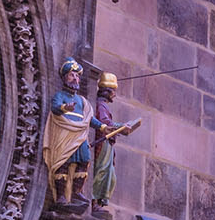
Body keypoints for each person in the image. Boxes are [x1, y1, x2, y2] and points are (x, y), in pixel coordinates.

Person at [42, 59, 92, 204]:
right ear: (65, 78)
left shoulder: (81, 100)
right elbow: (55, 108)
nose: (75, 78)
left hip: (79, 134)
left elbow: (89, 118)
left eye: (77, 76)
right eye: (71, 75)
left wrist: (102, 127)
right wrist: (65, 108)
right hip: (64, 133)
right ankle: (61, 195)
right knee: (63, 162)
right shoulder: (60, 95)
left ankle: (76, 192)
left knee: (84, 160)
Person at [89, 72, 142, 204]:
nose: (115, 94)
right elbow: (104, 122)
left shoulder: (103, 105)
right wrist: (121, 126)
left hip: (107, 142)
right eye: (113, 91)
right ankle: (95, 200)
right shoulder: (101, 105)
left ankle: (99, 199)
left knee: (110, 174)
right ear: (106, 91)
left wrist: (122, 127)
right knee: (103, 171)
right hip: (103, 141)